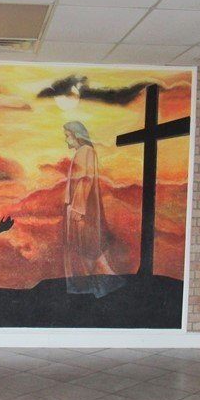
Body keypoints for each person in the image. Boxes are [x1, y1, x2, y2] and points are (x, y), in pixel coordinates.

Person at [62, 121, 125, 298]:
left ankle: (105, 285)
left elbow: (85, 180)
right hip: (77, 208)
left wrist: (77, 208)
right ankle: (92, 288)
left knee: (87, 248)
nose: (66, 140)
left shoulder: (86, 151)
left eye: (67, 136)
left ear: (77, 136)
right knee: (82, 248)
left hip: (81, 210)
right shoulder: (83, 152)